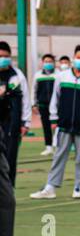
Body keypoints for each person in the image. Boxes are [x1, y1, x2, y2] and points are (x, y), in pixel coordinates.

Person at [32, 44, 80, 201]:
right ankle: (51, 187)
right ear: (74, 58)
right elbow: (56, 98)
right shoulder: (62, 76)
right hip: (64, 124)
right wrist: (54, 118)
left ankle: (78, 186)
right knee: (59, 156)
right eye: (78, 58)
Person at [0, 42, 30, 185]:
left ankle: (9, 190)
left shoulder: (17, 76)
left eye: (6, 56)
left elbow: (25, 99)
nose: (3, 58)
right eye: (0, 56)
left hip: (12, 124)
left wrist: (26, 122)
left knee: (10, 159)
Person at [33, 53, 56, 155]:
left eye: (50, 61)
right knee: (46, 126)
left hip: (56, 106)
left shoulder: (58, 74)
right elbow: (33, 89)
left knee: (57, 126)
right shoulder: (38, 75)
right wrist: (33, 104)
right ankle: (49, 147)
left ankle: (58, 146)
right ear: (42, 63)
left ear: (54, 63)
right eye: (46, 62)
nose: (48, 63)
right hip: (43, 105)